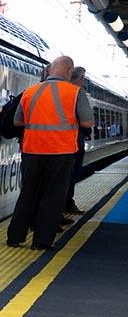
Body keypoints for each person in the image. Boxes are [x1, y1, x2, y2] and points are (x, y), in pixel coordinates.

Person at [6, 55, 94, 249]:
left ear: (51, 70)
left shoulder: (31, 91)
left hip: (31, 150)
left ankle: (14, 237)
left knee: (28, 192)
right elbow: (88, 122)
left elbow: (17, 121)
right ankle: (41, 241)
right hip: (60, 152)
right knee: (52, 195)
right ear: (70, 71)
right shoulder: (75, 92)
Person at [63, 65, 90, 217]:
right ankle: (66, 205)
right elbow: (87, 122)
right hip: (74, 143)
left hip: (54, 144)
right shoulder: (77, 93)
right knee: (70, 177)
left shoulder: (59, 90)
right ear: (81, 79)